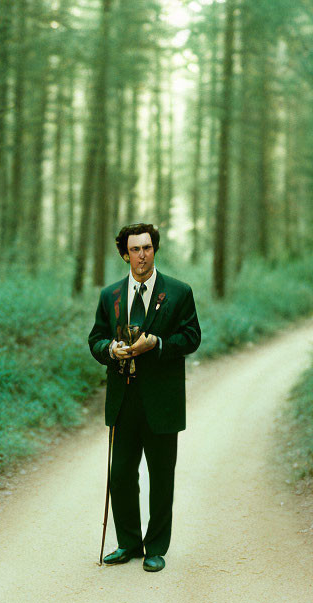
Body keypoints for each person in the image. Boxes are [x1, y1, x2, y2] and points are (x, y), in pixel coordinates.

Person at [88, 223, 201, 572]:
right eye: (135, 249)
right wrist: (110, 348)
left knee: (161, 475)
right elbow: (95, 339)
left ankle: (156, 548)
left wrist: (159, 344)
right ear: (125, 254)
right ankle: (128, 544)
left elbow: (192, 337)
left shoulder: (179, 292)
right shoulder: (110, 296)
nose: (142, 255)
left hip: (162, 400)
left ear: (155, 249)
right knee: (120, 474)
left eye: (147, 248)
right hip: (123, 400)